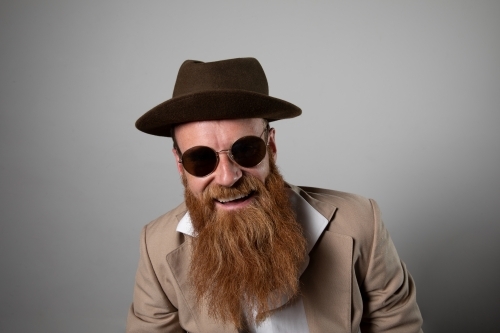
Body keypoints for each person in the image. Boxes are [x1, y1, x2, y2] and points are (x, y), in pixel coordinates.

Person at [127, 57, 423, 333]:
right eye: (201, 159)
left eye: (245, 150)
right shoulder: (157, 247)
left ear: (270, 147)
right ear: (180, 165)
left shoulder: (360, 222)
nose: (228, 177)